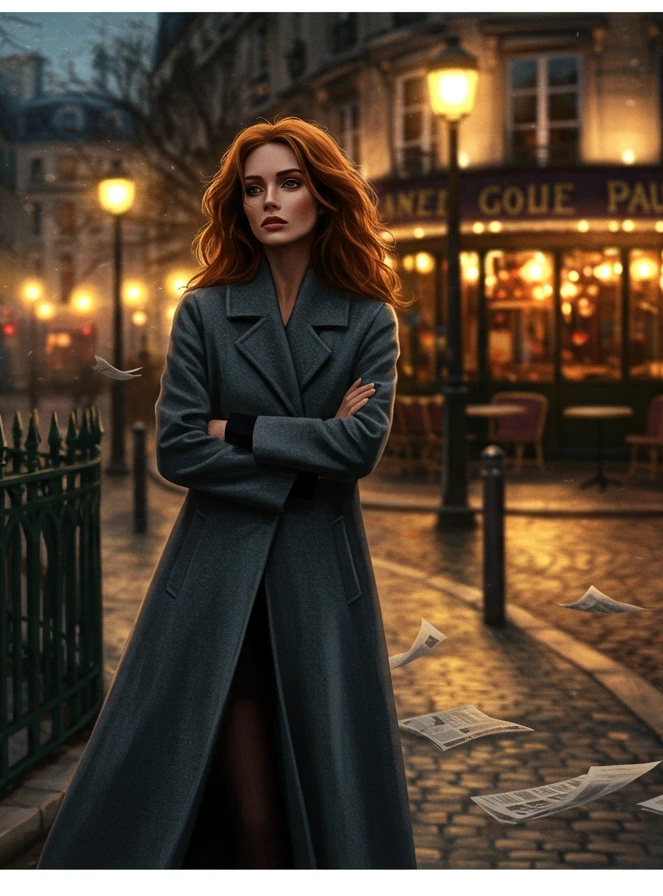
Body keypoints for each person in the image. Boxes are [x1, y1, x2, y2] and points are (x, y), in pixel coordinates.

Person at [37, 117, 416, 869]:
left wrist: (237, 427)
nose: (268, 200)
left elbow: (360, 446)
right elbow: (178, 448)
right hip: (216, 581)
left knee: (323, 779)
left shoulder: (369, 318)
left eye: (289, 182)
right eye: (252, 188)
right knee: (238, 796)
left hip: (318, 583)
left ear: (324, 195)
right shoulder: (206, 312)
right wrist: (307, 448)